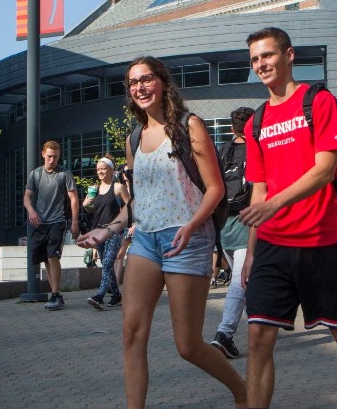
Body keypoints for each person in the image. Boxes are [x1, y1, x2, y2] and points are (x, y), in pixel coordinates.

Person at [76, 56, 245, 408]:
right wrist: (106, 231)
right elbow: (139, 201)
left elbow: (215, 189)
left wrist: (193, 225)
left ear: (163, 83)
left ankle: (243, 392)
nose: (140, 87)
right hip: (145, 243)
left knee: (188, 346)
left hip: (187, 239)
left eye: (146, 79)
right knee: (131, 335)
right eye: (133, 82)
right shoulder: (134, 138)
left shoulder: (189, 125)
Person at [237, 27, 337, 408]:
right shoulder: (254, 123)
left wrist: (274, 204)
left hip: (324, 242)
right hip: (273, 245)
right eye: (255, 59)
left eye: (268, 55)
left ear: (289, 56)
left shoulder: (318, 102)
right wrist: (252, 252)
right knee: (257, 338)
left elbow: (324, 169)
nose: (261, 65)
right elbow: (259, 190)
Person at [209, 107, 255, 359]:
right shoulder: (257, 148)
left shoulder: (223, 150)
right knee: (241, 279)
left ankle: (260, 322)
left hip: (224, 221)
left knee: (247, 278)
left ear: (231, 128)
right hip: (248, 220)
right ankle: (224, 333)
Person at [23, 140, 80, 311]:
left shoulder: (64, 174)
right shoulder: (35, 174)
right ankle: (55, 293)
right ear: (43, 154)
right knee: (45, 259)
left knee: (52, 257)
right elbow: (26, 197)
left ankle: (56, 295)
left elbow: (74, 199)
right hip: (40, 222)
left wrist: (75, 222)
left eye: (55, 157)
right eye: (49, 156)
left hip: (58, 221)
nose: (52, 160)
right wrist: (31, 211)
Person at [83, 157, 130, 309]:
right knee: (106, 264)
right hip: (98, 232)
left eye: (103, 168)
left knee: (109, 262)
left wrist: (130, 225)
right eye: (98, 169)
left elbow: (130, 206)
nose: (100, 171)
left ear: (111, 169)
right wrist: (85, 205)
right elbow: (92, 211)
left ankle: (100, 295)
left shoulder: (118, 188)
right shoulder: (94, 189)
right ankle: (116, 295)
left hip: (114, 231)